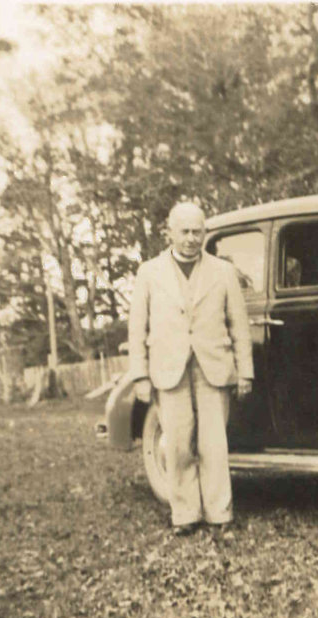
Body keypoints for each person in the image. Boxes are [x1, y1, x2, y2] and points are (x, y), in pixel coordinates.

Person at [127, 202, 253, 536]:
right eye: (184, 231)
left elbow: (239, 325)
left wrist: (245, 371)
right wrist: (140, 375)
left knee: (214, 443)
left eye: (198, 231)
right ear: (169, 232)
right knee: (178, 443)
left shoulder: (223, 271)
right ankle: (184, 513)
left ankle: (219, 513)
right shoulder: (149, 273)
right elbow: (137, 327)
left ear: (205, 233)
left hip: (213, 368)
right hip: (169, 370)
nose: (191, 239)